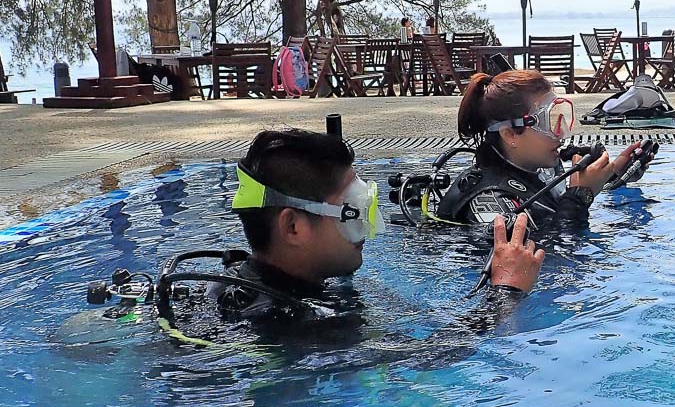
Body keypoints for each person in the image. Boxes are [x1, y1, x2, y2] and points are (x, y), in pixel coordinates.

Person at [148, 128, 545, 361]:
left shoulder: (260, 281)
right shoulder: (289, 325)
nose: (367, 227)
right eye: (353, 211)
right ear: (293, 227)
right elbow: (428, 355)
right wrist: (505, 295)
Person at [432, 70, 656, 227]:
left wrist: (615, 175)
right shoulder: (490, 202)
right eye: (548, 122)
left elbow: (550, 207)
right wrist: (579, 197)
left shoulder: (538, 167)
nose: (560, 133)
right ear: (510, 134)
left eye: (562, 118)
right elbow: (547, 265)